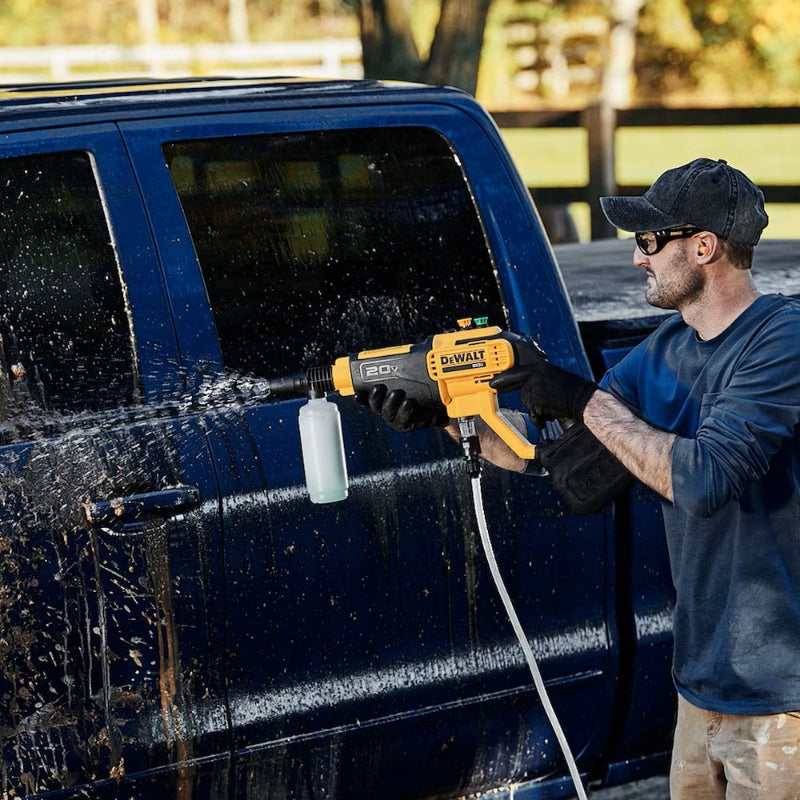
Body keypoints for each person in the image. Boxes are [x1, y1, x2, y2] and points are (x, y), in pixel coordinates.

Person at [361, 158, 800, 798]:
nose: (637, 259)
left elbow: (704, 480)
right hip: (703, 684)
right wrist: (447, 418)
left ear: (704, 246)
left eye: (649, 241)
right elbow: (557, 456)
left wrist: (579, 396)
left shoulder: (780, 340)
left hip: (780, 697)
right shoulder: (663, 353)